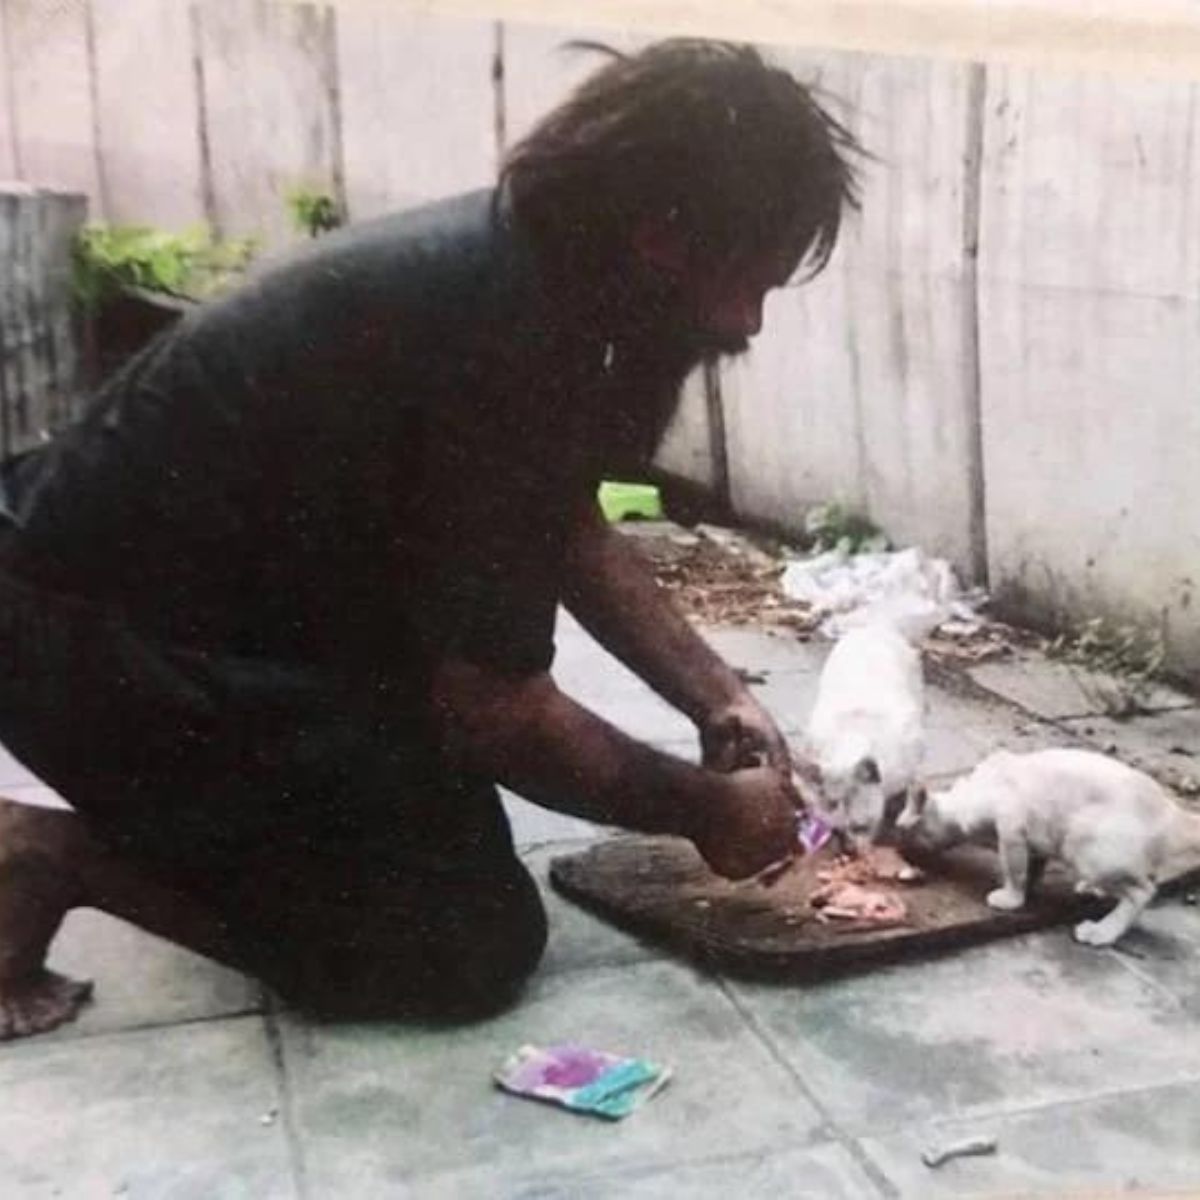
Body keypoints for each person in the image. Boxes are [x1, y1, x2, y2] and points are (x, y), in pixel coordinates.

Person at [0, 38, 861, 1039]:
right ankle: (61, 853)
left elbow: (561, 521)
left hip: (237, 621)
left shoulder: (537, 277)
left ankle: (200, 834)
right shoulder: (507, 332)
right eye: (749, 276)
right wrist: (709, 813)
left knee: (435, 830)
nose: (750, 320)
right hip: (85, 640)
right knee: (457, 947)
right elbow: (493, 712)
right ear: (663, 239)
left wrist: (716, 694)